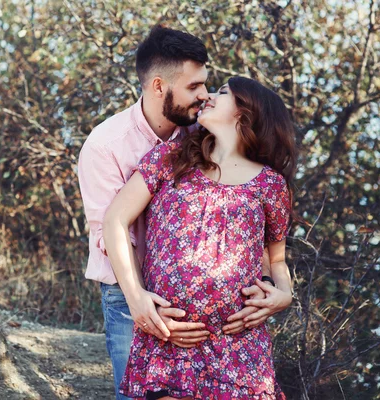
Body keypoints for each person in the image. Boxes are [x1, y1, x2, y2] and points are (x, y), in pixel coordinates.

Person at [78, 25, 281, 399]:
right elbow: (112, 229)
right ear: (159, 87)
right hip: (129, 293)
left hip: (219, 322)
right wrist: (140, 303)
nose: (204, 96)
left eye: (207, 85)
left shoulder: (201, 136)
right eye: (193, 87)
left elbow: (253, 220)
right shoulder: (104, 147)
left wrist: (276, 289)